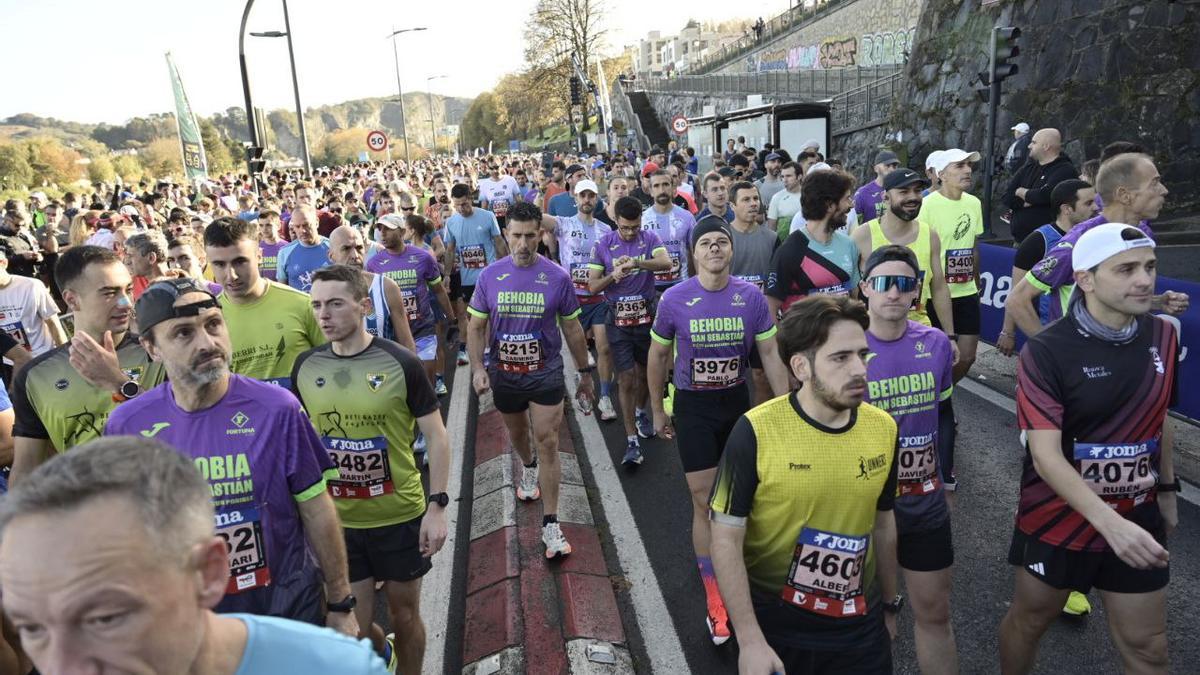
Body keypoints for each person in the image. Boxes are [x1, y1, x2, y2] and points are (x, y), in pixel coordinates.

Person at [0, 436, 389, 675]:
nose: (62, 667)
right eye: (33, 629)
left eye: (105, 618)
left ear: (207, 574)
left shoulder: (334, 668)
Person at [105, 277, 358, 635]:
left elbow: (316, 508)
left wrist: (340, 602)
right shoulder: (127, 425)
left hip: (286, 611)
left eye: (213, 324)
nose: (208, 343)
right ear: (151, 347)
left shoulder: (277, 409)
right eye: (183, 333)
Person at [999, 224, 1179, 674]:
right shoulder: (1046, 350)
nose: (1144, 280)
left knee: (1148, 647)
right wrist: (1109, 525)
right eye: (1126, 269)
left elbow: (1161, 418)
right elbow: (1045, 455)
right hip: (1058, 520)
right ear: (1085, 278)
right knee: (1030, 621)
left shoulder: (1164, 335)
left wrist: (1168, 491)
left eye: (1150, 267)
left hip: (1137, 518)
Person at [709, 294, 900, 674]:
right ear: (801, 366)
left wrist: (890, 604)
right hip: (777, 626)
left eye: (863, 355)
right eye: (840, 358)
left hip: (858, 625)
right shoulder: (754, 431)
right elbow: (725, 537)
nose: (859, 369)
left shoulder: (884, 428)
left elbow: (883, 523)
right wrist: (749, 639)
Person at [293, 265, 450, 674]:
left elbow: (436, 435)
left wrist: (437, 507)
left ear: (364, 306)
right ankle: (384, 653)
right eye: (316, 305)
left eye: (335, 304)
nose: (323, 315)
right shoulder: (306, 367)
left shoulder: (401, 362)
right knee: (357, 629)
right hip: (341, 522)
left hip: (398, 514)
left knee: (404, 615)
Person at [647, 218, 790, 645]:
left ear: (731, 251)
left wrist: (786, 407)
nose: (714, 249)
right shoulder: (674, 299)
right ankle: (715, 592)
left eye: (721, 243)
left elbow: (768, 351)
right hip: (693, 408)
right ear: (693, 253)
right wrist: (657, 410)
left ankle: (738, 564)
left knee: (742, 497)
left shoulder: (750, 298)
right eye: (705, 243)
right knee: (703, 500)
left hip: (735, 404)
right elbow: (657, 357)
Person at [466, 201, 595, 559]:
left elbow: (571, 327)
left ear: (541, 234)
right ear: (506, 235)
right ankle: (527, 467)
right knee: (519, 435)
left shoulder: (558, 277)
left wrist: (584, 374)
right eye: (516, 236)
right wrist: (478, 368)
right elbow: (475, 326)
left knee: (548, 439)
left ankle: (551, 523)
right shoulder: (491, 276)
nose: (523, 244)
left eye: (530, 236)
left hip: (545, 372)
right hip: (504, 374)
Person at [860, 246, 958, 675]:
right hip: (861, 513)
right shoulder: (846, 349)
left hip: (924, 504)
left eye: (905, 284)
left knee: (935, 616)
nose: (894, 293)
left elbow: (944, 418)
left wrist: (947, 483)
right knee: (864, 627)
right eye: (884, 283)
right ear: (865, 288)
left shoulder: (935, 344)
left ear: (917, 291)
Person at [9, 246, 166, 485]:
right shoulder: (36, 376)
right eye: (109, 293)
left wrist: (120, 384)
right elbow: (25, 471)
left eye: (128, 289)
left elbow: (188, 430)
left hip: (161, 501)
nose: (125, 302)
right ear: (72, 299)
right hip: (89, 513)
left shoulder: (159, 353)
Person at [1006, 153, 1189, 338]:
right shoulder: (1079, 241)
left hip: (1123, 352)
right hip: (1079, 359)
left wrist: (1158, 302)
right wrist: (1052, 352)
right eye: (1155, 183)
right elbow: (1017, 299)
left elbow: (1111, 297)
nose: (1164, 190)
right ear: (1124, 195)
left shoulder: (1142, 234)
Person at [588, 196, 671, 463]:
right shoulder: (603, 244)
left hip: (646, 320)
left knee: (647, 375)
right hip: (619, 323)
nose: (630, 232)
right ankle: (631, 440)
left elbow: (666, 263)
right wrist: (614, 274)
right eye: (625, 228)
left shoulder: (650, 239)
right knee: (626, 379)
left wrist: (636, 263)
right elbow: (592, 286)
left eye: (635, 227)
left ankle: (640, 411)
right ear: (616, 222)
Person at [204, 217, 325, 388]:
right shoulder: (208, 321)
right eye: (219, 264)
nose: (231, 275)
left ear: (259, 256)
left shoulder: (302, 304)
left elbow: (332, 366)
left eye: (240, 262)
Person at [540, 179, 618, 422]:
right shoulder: (564, 224)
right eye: (582, 196)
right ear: (574, 198)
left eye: (591, 196)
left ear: (597, 200)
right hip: (571, 301)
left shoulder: (606, 230)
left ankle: (605, 396)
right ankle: (583, 386)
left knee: (604, 347)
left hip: (599, 299)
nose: (587, 200)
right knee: (578, 351)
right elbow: (539, 218)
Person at [851, 168, 958, 341]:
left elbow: (938, 287)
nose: (913, 197)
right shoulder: (862, 236)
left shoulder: (930, 235)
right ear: (885, 197)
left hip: (919, 333)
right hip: (873, 335)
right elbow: (852, 293)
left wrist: (950, 336)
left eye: (917, 190)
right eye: (904, 191)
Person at [997, 180, 1096, 357]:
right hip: (1053, 336)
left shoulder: (1095, 237)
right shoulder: (1038, 241)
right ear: (1067, 209)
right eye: (1088, 203)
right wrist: (1008, 332)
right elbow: (1016, 291)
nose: (1096, 207)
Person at [362, 216, 448, 389]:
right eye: (380, 229)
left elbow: (438, 290)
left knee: (427, 382)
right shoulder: (373, 264)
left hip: (423, 327)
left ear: (402, 232)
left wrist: (451, 319)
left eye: (388, 229)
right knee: (404, 385)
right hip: (393, 332)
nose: (383, 233)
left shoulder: (423, 256)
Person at [765, 169, 860, 317]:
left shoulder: (849, 245)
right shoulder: (791, 250)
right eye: (846, 199)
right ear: (829, 205)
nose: (851, 205)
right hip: (804, 339)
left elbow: (854, 299)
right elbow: (770, 309)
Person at [727, 183, 781, 406]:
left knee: (761, 376)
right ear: (732, 205)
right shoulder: (722, 237)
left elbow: (777, 283)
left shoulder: (771, 238)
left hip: (762, 319)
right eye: (746, 200)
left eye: (755, 199)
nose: (753, 204)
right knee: (729, 378)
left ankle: (760, 426)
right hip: (729, 319)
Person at [328, 223, 418, 354]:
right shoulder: (323, 294)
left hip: (383, 371)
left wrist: (412, 372)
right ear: (331, 255)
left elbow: (406, 343)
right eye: (346, 249)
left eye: (359, 248)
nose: (354, 255)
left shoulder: (386, 287)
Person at [444, 183, 508, 367]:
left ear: (471, 198)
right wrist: (447, 274)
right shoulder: (452, 222)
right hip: (467, 279)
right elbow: (449, 250)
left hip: (489, 275)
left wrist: (508, 266)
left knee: (489, 314)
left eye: (464, 204)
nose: (460, 209)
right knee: (472, 317)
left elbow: (499, 242)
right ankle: (481, 348)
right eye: (456, 205)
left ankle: (489, 350)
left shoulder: (487, 216)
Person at [1003, 128, 1078, 242]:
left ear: (1046, 146)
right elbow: (1007, 197)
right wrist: (1029, 200)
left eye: (1034, 142)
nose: (1029, 146)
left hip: (1049, 244)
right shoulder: (1028, 168)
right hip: (1020, 241)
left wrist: (1021, 192)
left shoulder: (1065, 170)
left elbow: (1046, 195)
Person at [0, 248, 65, 359]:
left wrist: (65, 356)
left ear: (3, 263)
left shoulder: (31, 286)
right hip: (11, 364)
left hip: (43, 358)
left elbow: (53, 324)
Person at [640, 170, 696, 292]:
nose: (662, 189)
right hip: (651, 288)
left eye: (665, 184)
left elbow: (695, 254)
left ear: (673, 187)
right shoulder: (642, 220)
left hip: (681, 286)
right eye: (656, 185)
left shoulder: (687, 217)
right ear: (650, 191)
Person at [277, 205, 332, 291]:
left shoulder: (332, 247)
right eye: (297, 226)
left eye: (306, 225)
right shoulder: (284, 253)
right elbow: (282, 289)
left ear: (316, 222)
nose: (302, 230)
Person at [854, 150, 901, 224]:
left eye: (894, 166)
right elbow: (855, 224)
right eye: (887, 165)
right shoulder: (863, 193)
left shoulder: (902, 190)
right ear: (876, 169)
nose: (892, 169)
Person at [123, 230, 172, 299]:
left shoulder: (174, 288)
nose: (128, 261)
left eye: (131, 256)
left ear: (151, 258)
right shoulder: (132, 282)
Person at [766, 161, 804, 239]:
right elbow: (771, 227)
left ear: (799, 176)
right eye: (782, 176)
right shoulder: (777, 198)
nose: (785, 180)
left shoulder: (810, 196)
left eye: (788, 176)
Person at [478, 162, 523, 228]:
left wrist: (521, 216)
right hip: (494, 221)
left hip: (510, 218)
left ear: (501, 167)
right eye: (491, 168)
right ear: (488, 169)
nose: (495, 171)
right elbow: (484, 206)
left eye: (497, 167)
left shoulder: (510, 180)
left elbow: (519, 201)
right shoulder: (484, 184)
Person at [259, 209, 286, 282]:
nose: (264, 229)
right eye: (261, 225)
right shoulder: (256, 248)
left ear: (278, 225)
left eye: (268, 225)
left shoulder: (287, 248)